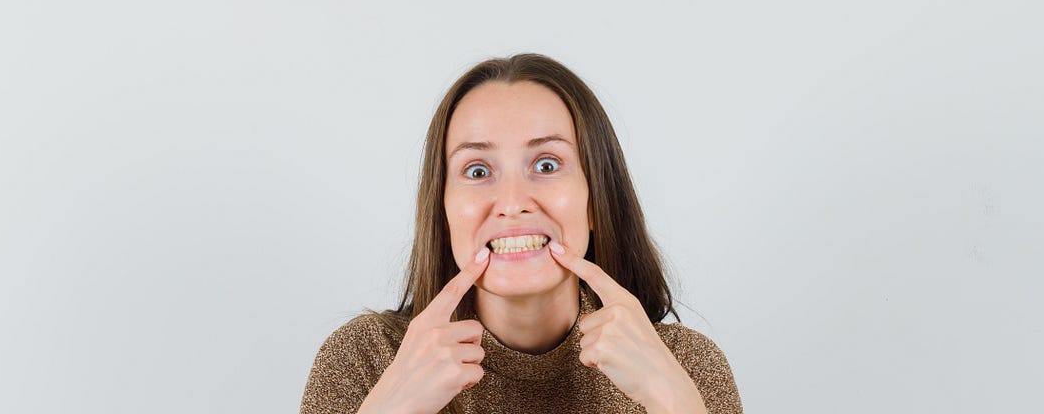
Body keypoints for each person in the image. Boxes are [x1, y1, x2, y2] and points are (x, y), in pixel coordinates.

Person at [300, 54, 742, 413]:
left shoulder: (684, 365)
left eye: (547, 165)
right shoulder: (365, 360)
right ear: (444, 211)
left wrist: (675, 402)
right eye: (477, 170)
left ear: (596, 199)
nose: (513, 202)